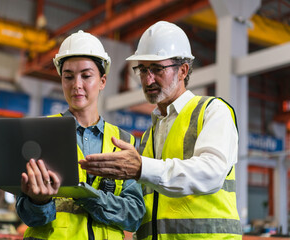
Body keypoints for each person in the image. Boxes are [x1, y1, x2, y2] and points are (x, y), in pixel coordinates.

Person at [79, 21, 242, 239]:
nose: (148, 79)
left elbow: (211, 174)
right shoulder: (148, 137)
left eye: (157, 69)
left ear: (183, 70)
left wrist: (142, 168)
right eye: (143, 69)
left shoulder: (213, 112)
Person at [15, 30, 145, 240]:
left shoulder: (124, 142)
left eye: (86, 76)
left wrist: (88, 196)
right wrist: (39, 202)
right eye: (68, 76)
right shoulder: (41, 132)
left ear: (102, 81)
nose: (76, 85)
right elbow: (28, 215)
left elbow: (134, 215)